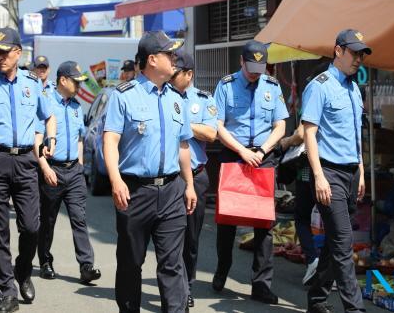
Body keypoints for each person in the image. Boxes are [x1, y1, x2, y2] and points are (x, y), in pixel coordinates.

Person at [0, 27, 57, 313]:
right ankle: (7, 290)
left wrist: (50, 139)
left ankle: (24, 270)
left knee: (31, 226)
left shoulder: (32, 82)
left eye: (4, 52)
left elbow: (49, 115)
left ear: (18, 53)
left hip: (26, 161)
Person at [103, 31, 196, 313]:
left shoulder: (176, 99)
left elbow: (183, 146)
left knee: (172, 263)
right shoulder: (123, 96)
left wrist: (189, 184)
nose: (175, 58)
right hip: (135, 192)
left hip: (171, 191)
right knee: (131, 263)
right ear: (152, 59)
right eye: (170, 54)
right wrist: (116, 180)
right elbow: (110, 140)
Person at [212, 39, 287, 304]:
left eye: (260, 67)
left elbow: (280, 125)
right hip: (235, 153)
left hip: (263, 156)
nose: (256, 73)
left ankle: (261, 284)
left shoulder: (272, 84)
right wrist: (242, 151)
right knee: (228, 219)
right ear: (241, 62)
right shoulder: (226, 85)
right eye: (251, 67)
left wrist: (263, 151)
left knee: (264, 223)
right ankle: (222, 269)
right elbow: (218, 126)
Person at [302, 29, 370, 313]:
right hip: (329, 173)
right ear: (338, 51)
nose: (358, 59)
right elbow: (309, 132)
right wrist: (318, 176)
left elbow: (356, 135)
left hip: (351, 173)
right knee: (343, 245)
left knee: (334, 240)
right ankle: (355, 309)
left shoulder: (354, 87)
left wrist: (362, 170)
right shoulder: (320, 85)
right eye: (354, 53)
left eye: (362, 54)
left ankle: (317, 298)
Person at [36, 61, 101, 284]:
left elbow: (80, 137)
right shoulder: (45, 102)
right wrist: (44, 167)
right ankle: (45, 260)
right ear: (63, 80)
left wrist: (80, 165)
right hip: (51, 171)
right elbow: (35, 138)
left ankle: (86, 266)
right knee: (48, 220)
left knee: (79, 219)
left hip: (73, 171)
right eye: (76, 81)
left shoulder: (76, 106)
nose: (79, 86)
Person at [170, 49, 217, 308]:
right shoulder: (162, 96)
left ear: (188, 75)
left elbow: (211, 133)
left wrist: (182, 121)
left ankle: (187, 285)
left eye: (176, 73)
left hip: (196, 178)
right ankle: (173, 287)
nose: (170, 76)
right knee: (168, 236)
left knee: (191, 237)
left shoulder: (202, 99)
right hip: (167, 178)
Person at [279, 124, 319, 284]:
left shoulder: (313, 100)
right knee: (333, 222)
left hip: (308, 173)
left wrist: (287, 141)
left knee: (302, 218)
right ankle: (332, 268)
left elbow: (302, 134)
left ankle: (313, 260)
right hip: (334, 172)